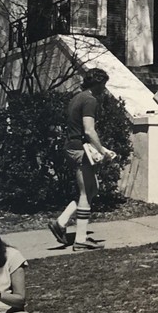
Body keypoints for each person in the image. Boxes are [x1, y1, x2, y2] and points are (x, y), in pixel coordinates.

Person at [48, 68, 115, 252]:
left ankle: (60, 223)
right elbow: (88, 130)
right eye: (103, 84)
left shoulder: (77, 97)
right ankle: (80, 240)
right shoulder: (90, 100)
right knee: (86, 193)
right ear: (97, 83)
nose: (104, 88)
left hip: (74, 147)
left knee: (92, 189)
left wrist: (101, 148)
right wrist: (102, 151)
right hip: (80, 150)